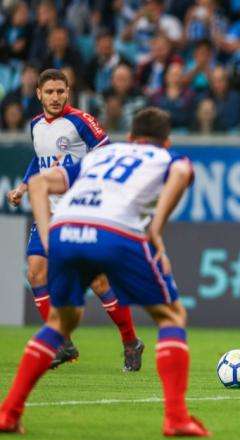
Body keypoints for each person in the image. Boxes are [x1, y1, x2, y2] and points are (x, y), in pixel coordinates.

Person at [0, 107, 210, 437]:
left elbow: (39, 184)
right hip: (116, 231)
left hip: (66, 229)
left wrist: (47, 237)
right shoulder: (167, 158)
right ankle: (176, 417)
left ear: (130, 137)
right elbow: (182, 173)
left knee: (59, 322)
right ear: (166, 142)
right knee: (170, 315)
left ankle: (8, 414)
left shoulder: (101, 156)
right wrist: (155, 229)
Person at [6, 69, 143, 371]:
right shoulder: (35, 126)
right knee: (36, 273)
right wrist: (23, 187)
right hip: (49, 211)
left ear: (68, 92)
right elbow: (39, 160)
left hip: (80, 209)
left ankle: (131, 342)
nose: (55, 97)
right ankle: (62, 344)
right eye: (49, 92)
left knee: (97, 280)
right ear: (38, 94)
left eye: (60, 91)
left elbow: (107, 154)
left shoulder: (82, 121)